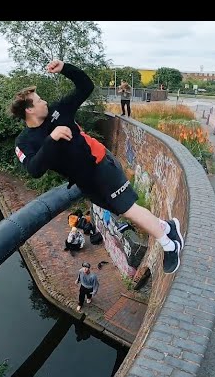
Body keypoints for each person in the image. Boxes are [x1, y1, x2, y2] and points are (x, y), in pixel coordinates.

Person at [10, 59, 184, 274]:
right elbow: (34, 170)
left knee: (128, 209)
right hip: (86, 182)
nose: (44, 101)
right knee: (123, 210)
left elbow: (86, 86)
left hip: (101, 165)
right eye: (38, 100)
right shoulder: (25, 142)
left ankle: (170, 244)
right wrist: (51, 139)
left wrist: (65, 68)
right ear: (29, 110)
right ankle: (168, 227)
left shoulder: (59, 111)